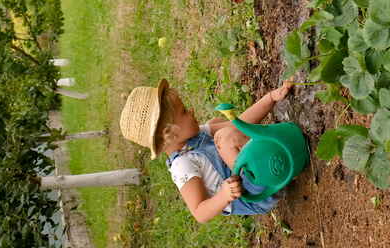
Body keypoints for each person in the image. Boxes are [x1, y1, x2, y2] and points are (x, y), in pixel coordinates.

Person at [119, 78, 294, 223]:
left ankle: (273, 152)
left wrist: (270, 98)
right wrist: (224, 195)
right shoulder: (183, 166)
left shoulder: (196, 135)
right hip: (254, 194)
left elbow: (240, 124)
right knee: (224, 137)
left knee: (218, 127)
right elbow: (199, 212)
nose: (192, 111)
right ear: (170, 133)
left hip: (254, 173)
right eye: (185, 112)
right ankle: (277, 162)